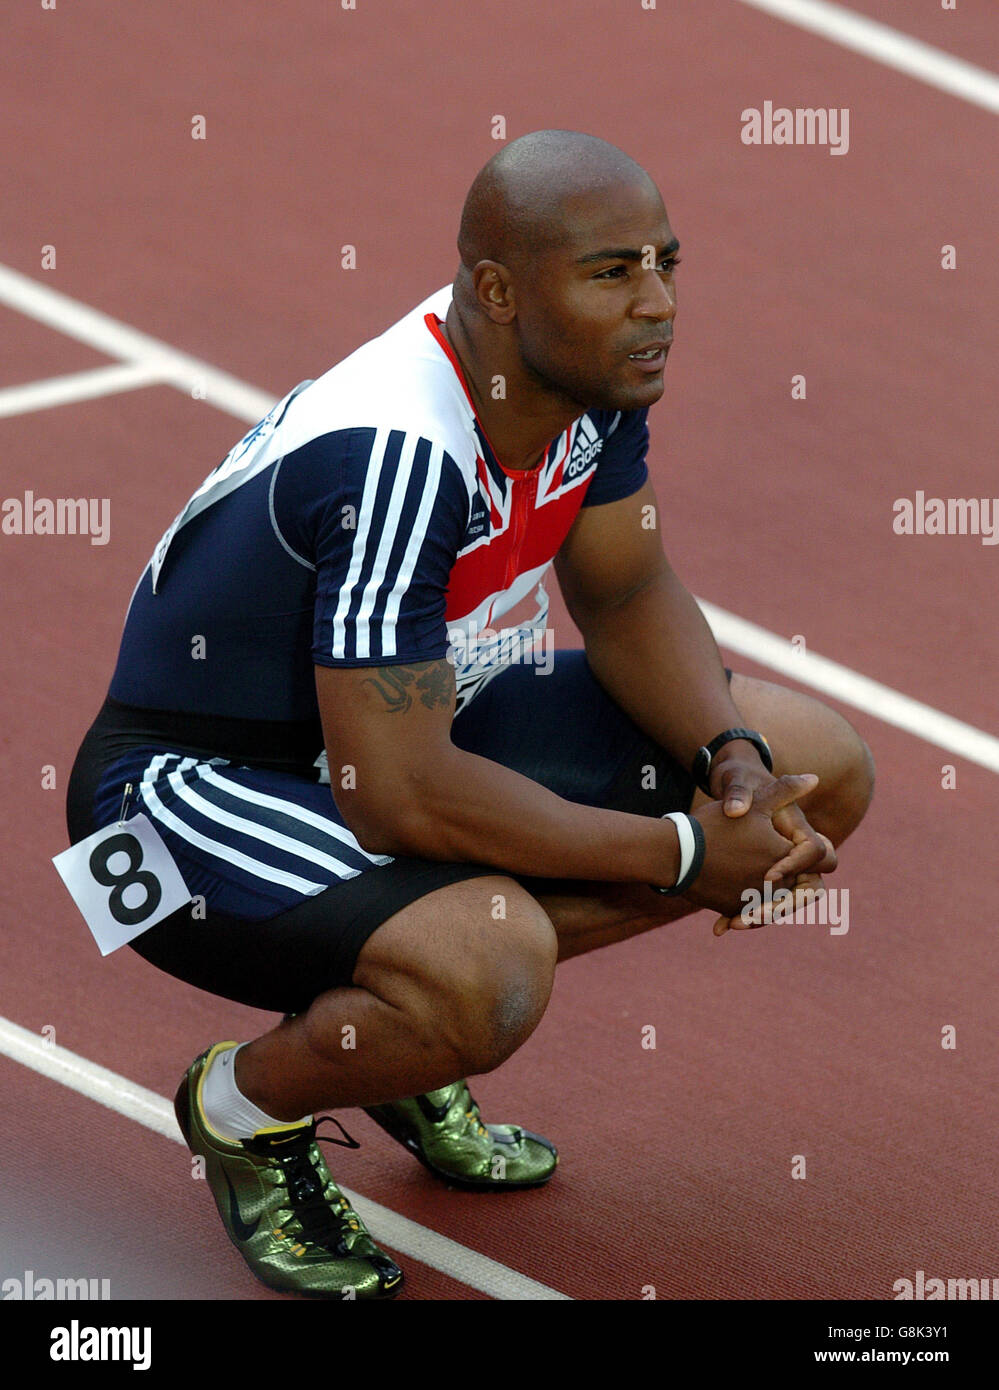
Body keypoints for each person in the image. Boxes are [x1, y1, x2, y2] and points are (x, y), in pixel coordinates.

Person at [66, 129, 874, 1300]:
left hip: (400, 722)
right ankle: (244, 1108)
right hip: (179, 793)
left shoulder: (575, 384)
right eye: (612, 272)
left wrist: (735, 767)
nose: (657, 304)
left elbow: (628, 588)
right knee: (490, 962)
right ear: (498, 289)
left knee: (819, 770)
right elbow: (390, 793)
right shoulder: (398, 451)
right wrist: (688, 851)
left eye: (667, 264)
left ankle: (381, 1024)